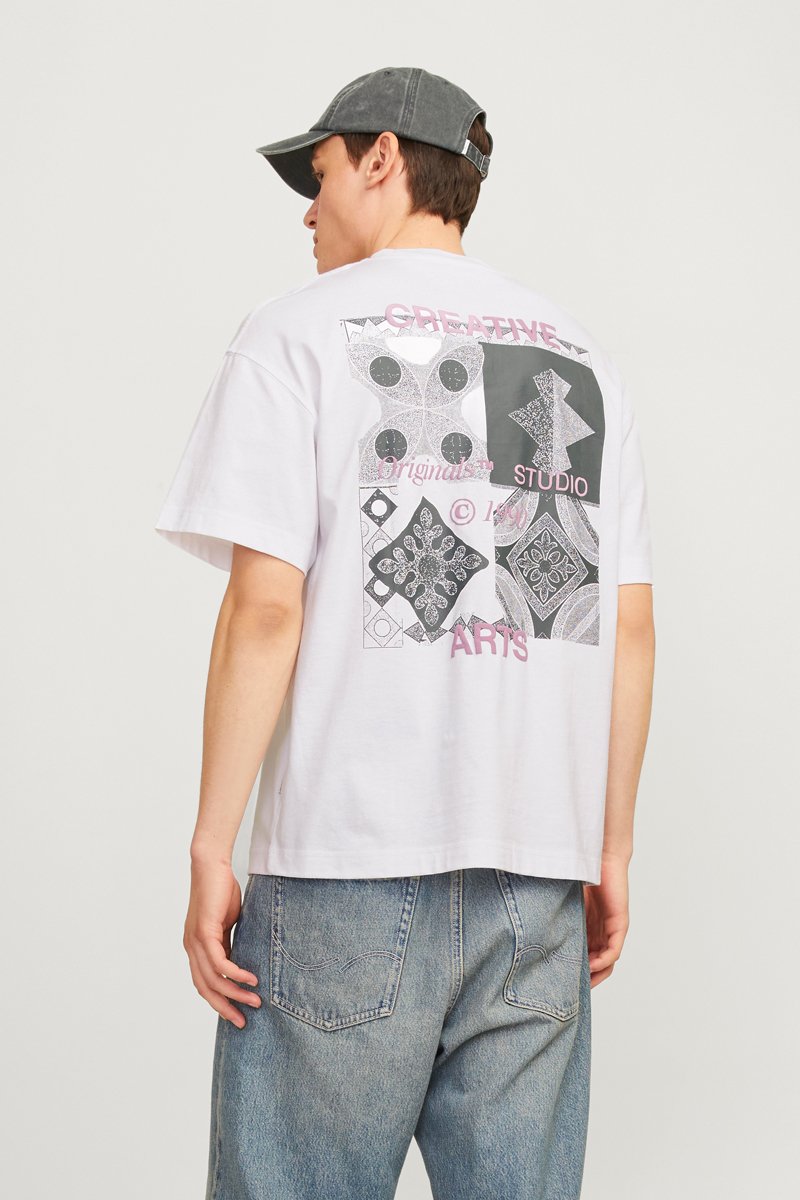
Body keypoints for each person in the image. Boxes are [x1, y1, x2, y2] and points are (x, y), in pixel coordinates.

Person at [154, 66, 655, 1200]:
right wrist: (609, 848)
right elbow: (627, 629)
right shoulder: (581, 362)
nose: (307, 212)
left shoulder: (293, 335)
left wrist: (210, 847)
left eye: (319, 173)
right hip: (536, 878)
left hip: (343, 867)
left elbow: (266, 607)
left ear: (382, 157)